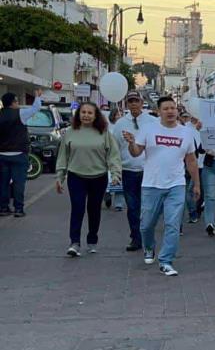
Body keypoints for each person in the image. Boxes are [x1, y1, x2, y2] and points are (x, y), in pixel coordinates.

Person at [122, 96, 201, 277]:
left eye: (173, 108)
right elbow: (136, 153)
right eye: (166, 108)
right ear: (159, 112)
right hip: (151, 184)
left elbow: (191, 160)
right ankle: (149, 247)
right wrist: (131, 143)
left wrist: (196, 184)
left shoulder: (186, 133)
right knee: (146, 224)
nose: (170, 111)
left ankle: (166, 260)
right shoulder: (149, 129)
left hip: (176, 184)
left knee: (172, 224)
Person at [55, 102, 123, 257]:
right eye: (83, 112)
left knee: (93, 210)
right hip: (76, 176)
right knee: (77, 208)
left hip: (98, 177)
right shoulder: (70, 132)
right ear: (78, 114)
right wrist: (60, 176)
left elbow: (113, 155)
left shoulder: (104, 133)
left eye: (89, 113)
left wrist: (115, 174)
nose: (86, 115)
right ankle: (75, 243)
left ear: (95, 115)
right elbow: (63, 156)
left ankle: (92, 240)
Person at [113, 92, 159, 251]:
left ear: (141, 102)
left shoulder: (153, 121)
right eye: (130, 101)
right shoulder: (120, 124)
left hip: (149, 171)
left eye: (136, 101)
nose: (133, 104)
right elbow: (115, 149)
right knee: (132, 207)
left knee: (148, 207)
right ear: (126, 104)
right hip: (128, 171)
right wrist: (115, 171)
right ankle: (136, 238)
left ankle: (148, 236)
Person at [0, 89, 43, 217]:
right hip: (19, 154)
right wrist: (37, 96)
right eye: (17, 101)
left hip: (1, 155)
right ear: (13, 102)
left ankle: (3, 208)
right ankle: (18, 209)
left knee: (3, 183)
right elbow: (36, 108)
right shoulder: (21, 113)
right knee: (19, 182)